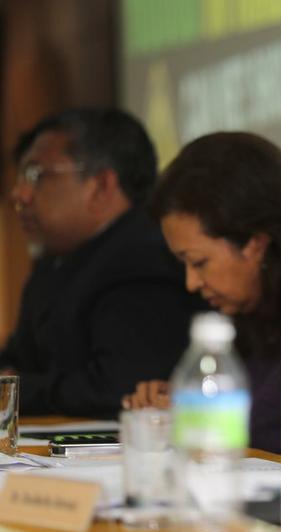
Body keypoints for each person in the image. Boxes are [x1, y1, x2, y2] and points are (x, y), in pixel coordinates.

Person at [122, 132, 281, 454]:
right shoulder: (248, 313)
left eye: (198, 262)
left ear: (255, 244)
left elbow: (276, 433)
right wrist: (181, 398)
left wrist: (195, 417)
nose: (191, 283)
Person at [0, 107, 204, 417]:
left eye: (36, 175)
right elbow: (17, 358)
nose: (20, 194)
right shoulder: (53, 260)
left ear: (102, 186)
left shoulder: (145, 256)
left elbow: (118, 387)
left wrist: (17, 388)